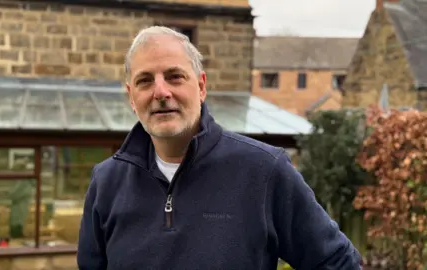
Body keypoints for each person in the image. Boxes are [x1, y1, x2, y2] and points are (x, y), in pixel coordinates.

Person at [77, 26, 362, 269]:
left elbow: (338, 262)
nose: (161, 92)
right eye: (145, 80)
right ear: (131, 97)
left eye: (175, 76)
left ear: (201, 87)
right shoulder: (106, 183)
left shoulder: (264, 171)